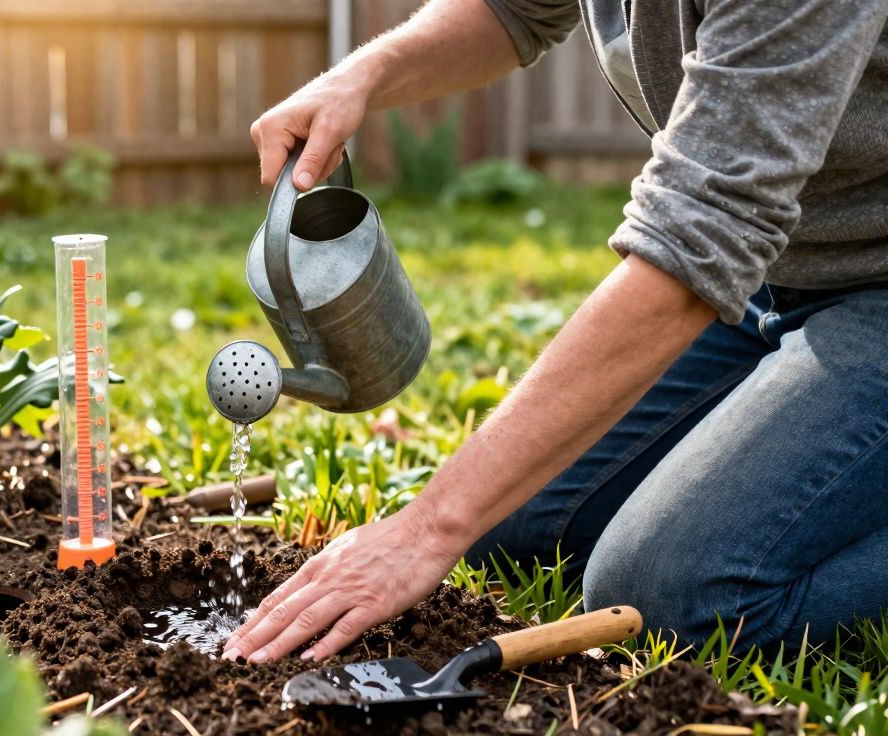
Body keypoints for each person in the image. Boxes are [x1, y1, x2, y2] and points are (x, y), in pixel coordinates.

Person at [221, 0, 888, 665]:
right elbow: (515, 10)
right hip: (771, 274)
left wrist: (426, 530)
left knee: (673, 598)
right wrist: (360, 75)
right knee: (519, 527)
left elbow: (704, 228)